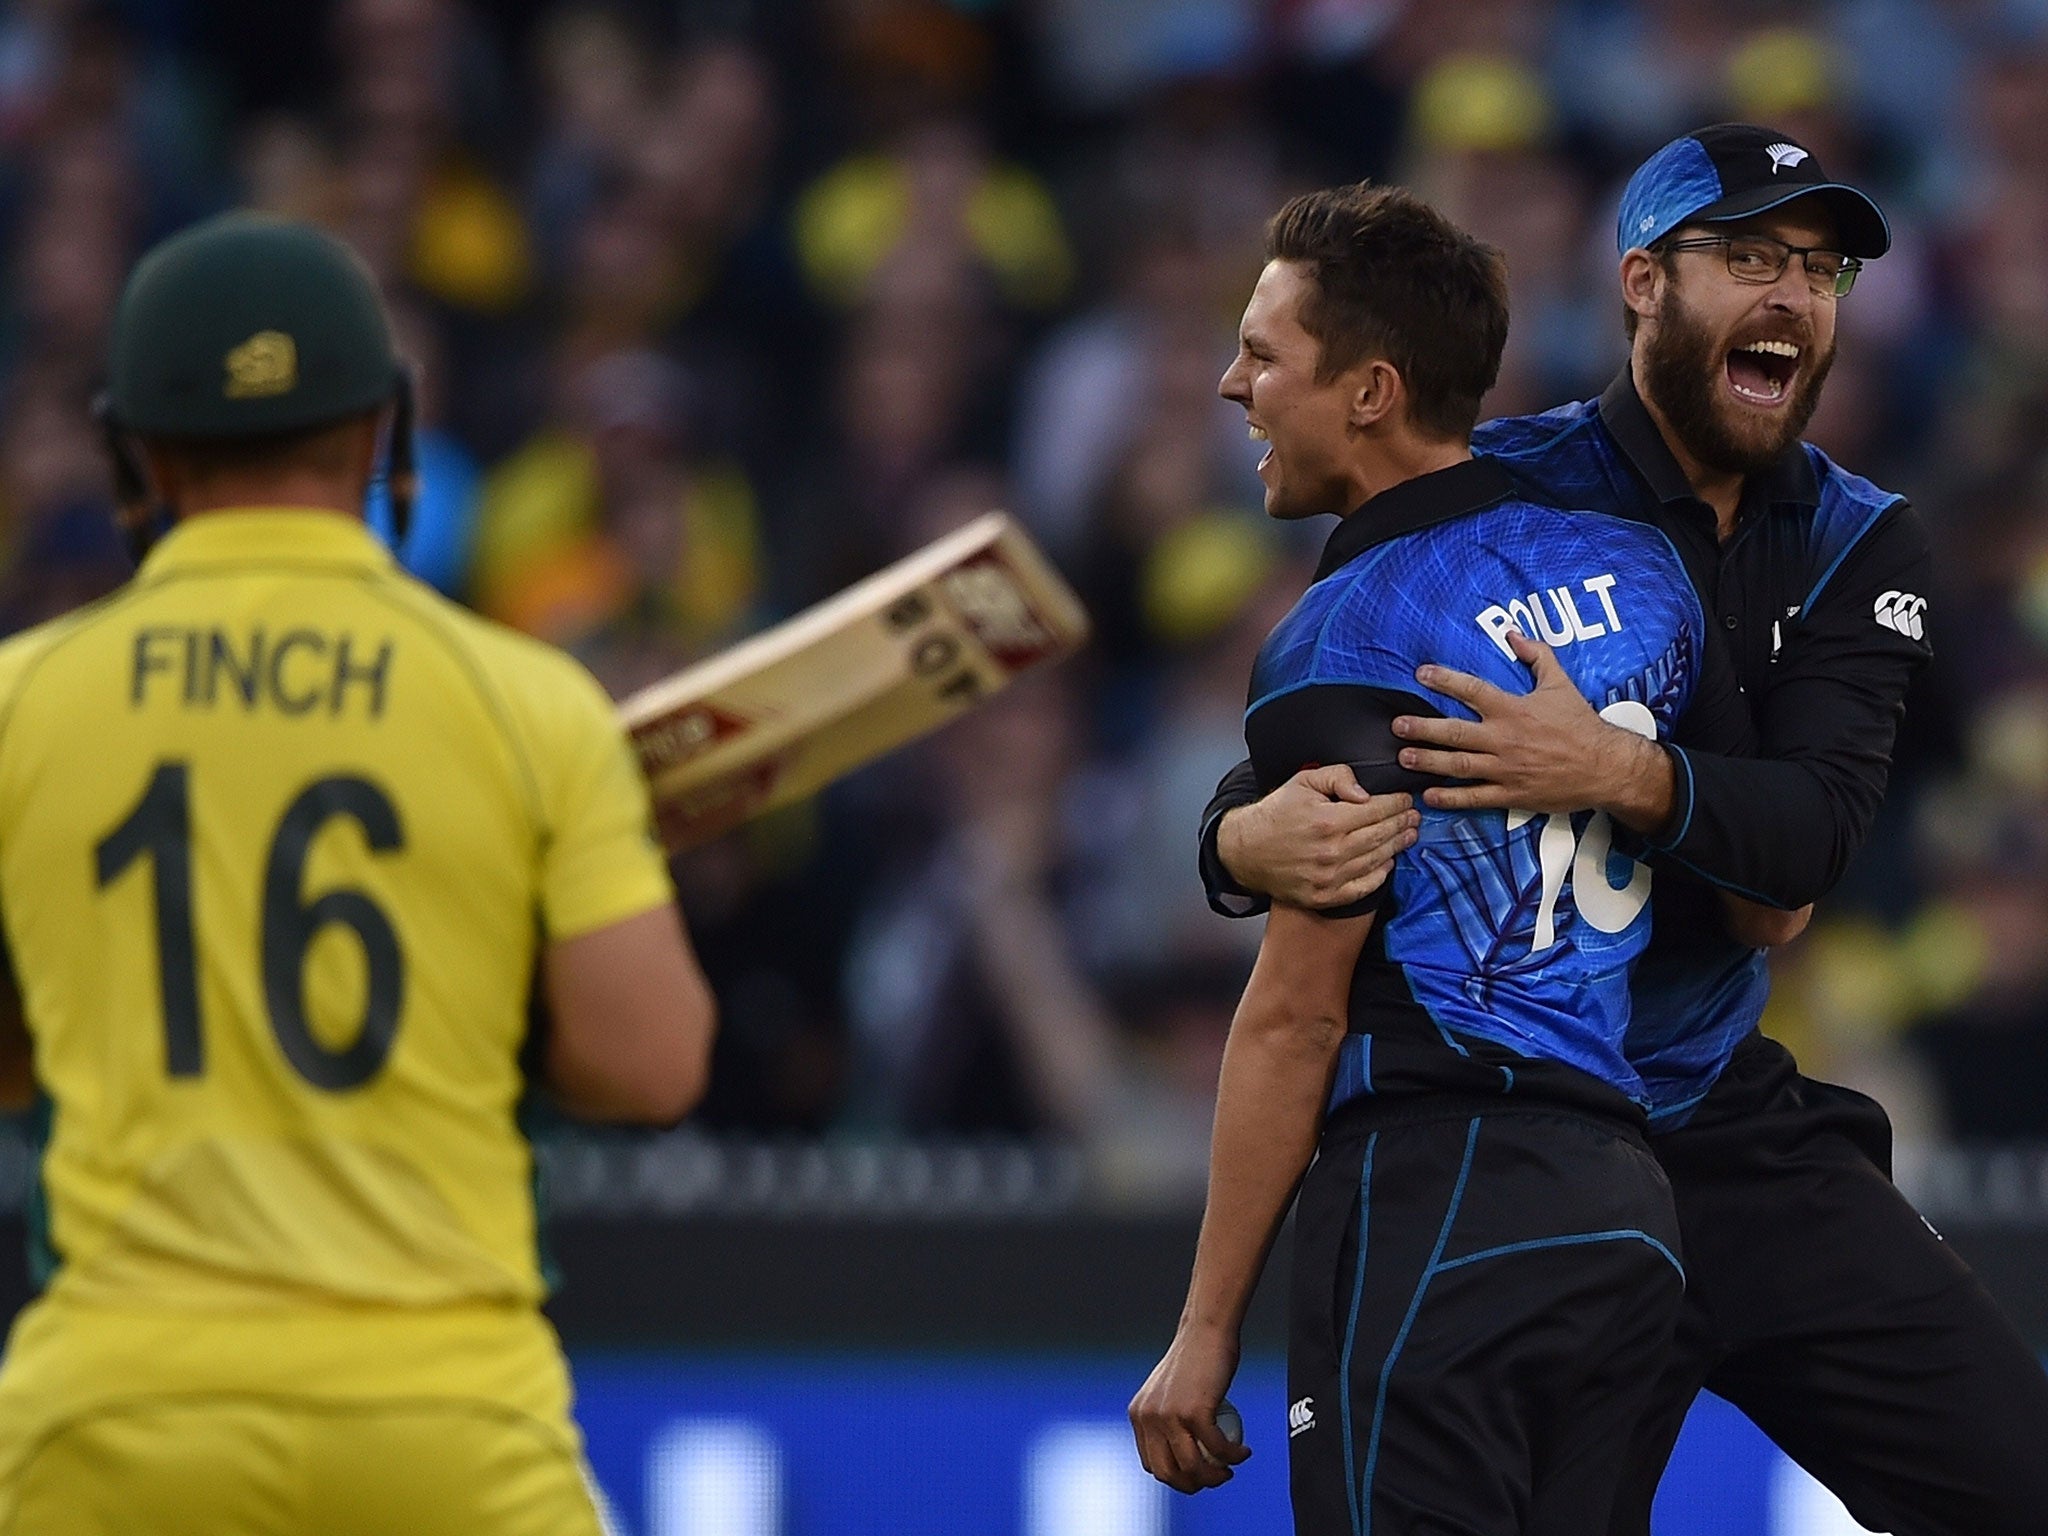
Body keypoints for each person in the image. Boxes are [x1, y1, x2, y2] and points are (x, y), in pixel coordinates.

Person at [1201, 125, 2048, 1536]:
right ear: (1645, 283)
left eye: (1821, 267)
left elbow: (1810, 850)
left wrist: (1610, 768)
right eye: (1749, 257)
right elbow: (1326, 724)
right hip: (1517, 1133)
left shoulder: (1856, 538)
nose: (1793, 295)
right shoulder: (1501, 489)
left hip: (1719, 1116)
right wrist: (1234, 843)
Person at [0, 212, 717, 1534]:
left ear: (132, 452)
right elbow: (650, 1063)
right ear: (387, 431)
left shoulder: (18, 707)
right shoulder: (526, 704)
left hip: (120, 1414)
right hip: (440, 1414)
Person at [1128, 182, 1769, 1534]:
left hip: (1436, 1198)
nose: (1229, 383)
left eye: (1262, 353)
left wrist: (1203, 1332)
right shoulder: (1650, 575)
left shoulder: (1350, 632)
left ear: (1368, 392)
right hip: (1627, 1221)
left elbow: (1298, 1013)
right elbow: (1764, 901)